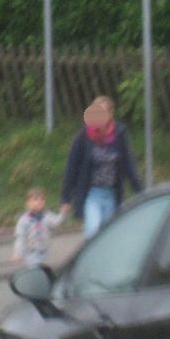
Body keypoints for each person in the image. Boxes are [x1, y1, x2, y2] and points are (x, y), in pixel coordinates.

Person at [61, 96, 143, 238]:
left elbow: (129, 165)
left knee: (107, 237)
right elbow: (72, 167)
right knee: (92, 234)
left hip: (112, 194)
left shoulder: (119, 135)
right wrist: (66, 198)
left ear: (110, 114)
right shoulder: (83, 136)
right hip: (91, 194)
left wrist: (141, 192)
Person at [13, 189, 66, 266]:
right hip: (30, 251)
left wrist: (63, 212)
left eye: (42, 199)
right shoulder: (24, 220)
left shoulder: (46, 215)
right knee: (35, 266)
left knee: (41, 266)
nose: (39, 202)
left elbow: (56, 222)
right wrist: (17, 253)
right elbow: (20, 237)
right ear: (28, 203)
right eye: (35, 199)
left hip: (44, 250)